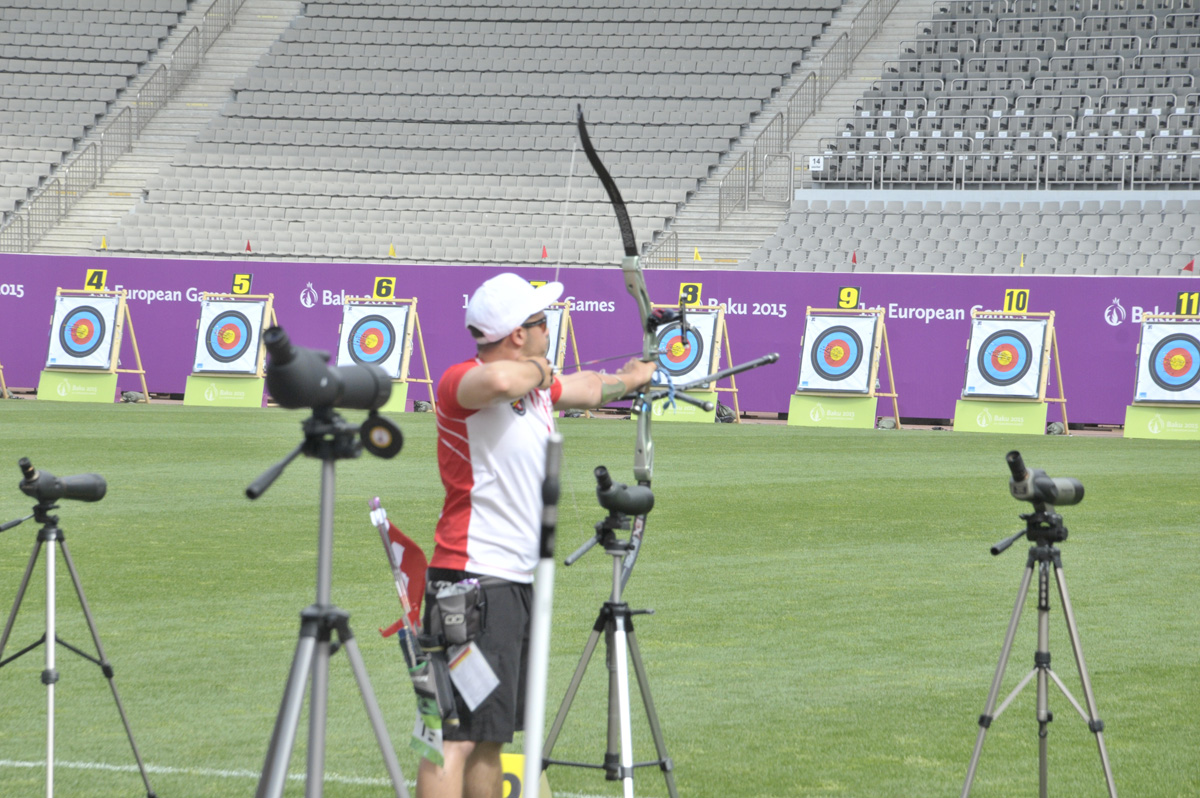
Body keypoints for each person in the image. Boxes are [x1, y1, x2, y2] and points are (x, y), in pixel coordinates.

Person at [417, 272, 657, 798]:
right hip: (469, 579)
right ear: (517, 336)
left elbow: (590, 388)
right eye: (542, 323)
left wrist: (636, 375)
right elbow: (501, 382)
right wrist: (541, 369)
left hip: (510, 584)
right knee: (451, 735)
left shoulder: (537, 385)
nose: (551, 330)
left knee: (489, 736)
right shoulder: (462, 381)